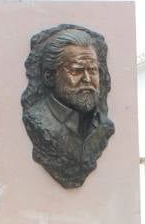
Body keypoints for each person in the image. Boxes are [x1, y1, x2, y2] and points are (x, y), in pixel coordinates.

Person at [21, 25, 115, 187]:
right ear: (49, 77)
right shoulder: (38, 119)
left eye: (93, 70)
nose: (87, 79)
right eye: (76, 70)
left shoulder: (104, 125)